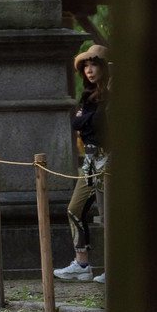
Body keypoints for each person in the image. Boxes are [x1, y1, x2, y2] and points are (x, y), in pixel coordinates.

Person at [54, 45, 111, 283]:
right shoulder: (88, 96)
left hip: (109, 159)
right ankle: (82, 263)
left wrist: (86, 120)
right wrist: (88, 120)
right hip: (89, 161)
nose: (89, 70)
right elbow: (78, 125)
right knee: (74, 209)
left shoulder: (113, 94)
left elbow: (99, 124)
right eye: (86, 66)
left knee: (110, 215)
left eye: (94, 64)